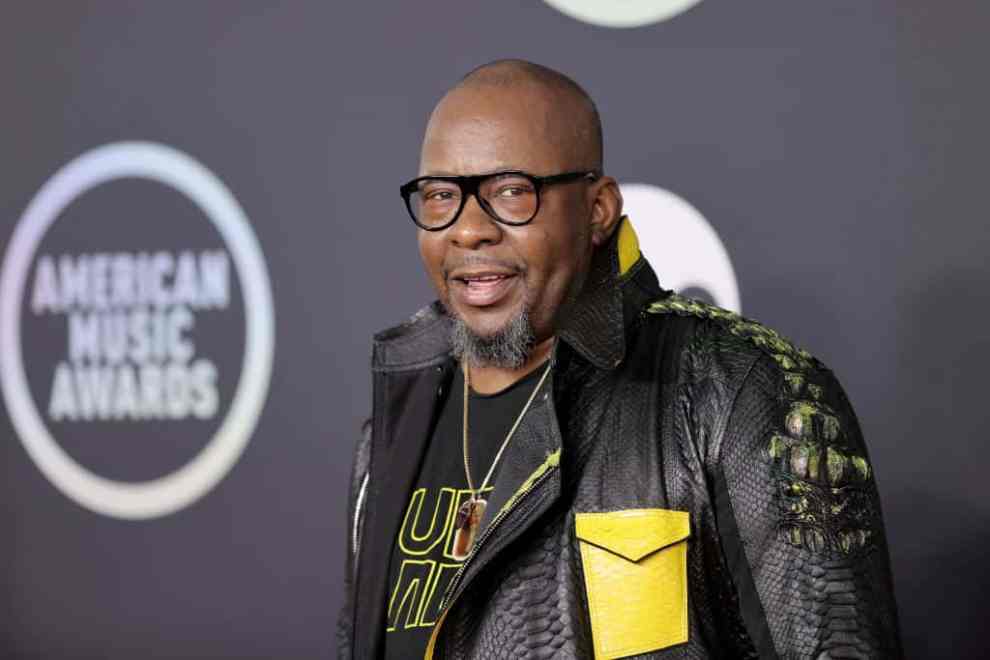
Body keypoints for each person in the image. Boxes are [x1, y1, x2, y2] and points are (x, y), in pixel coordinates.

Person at [337, 59, 902, 659]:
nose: (468, 229)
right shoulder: (392, 437)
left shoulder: (743, 391)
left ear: (598, 210)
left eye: (510, 192)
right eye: (441, 196)